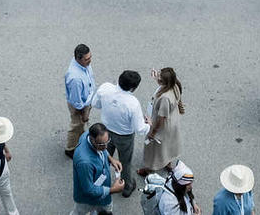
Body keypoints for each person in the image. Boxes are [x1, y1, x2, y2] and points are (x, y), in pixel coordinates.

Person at [95, 70, 147, 198]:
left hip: (105, 131)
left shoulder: (105, 88)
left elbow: (95, 104)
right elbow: (140, 129)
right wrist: (149, 126)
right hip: (124, 137)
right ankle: (127, 186)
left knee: (104, 157)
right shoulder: (133, 103)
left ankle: (100, 181)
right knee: (124, 162)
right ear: (133, 88)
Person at [140, 67, 185, 177]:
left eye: (159, 78)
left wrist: (153, 132)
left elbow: (161, 118)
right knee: (168, 144)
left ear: (163, 82)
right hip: (172, 121)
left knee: (153, 148)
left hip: (163, 125)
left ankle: (149, 168)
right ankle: (168, 163)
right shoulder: (175, 85)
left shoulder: (164, 98)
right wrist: (157, 77)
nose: (157, 78)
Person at [72, 123, 123, 215]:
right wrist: (113, 189)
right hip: (87, 199)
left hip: (100, 189)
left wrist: (111, 159)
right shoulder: (85, 162)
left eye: (107, 142)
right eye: (102, 145)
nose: (106, 147)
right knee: (80, 212)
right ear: (92, 140)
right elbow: (89, 189)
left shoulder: (88, 135)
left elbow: (103, 150)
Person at [65, 43, 96, 157]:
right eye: (87, 59)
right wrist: (84, 112)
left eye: (90, 57)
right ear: (78, 59)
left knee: (81, 125)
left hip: (86, 100)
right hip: (81, 106)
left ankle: (81, 139)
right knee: (76, 125)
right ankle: (70, 148)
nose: (90, 61)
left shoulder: (83, 65)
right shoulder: (75, 78)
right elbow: (76, 101)